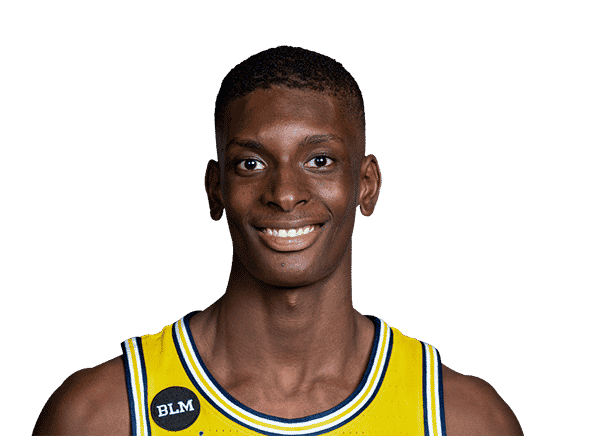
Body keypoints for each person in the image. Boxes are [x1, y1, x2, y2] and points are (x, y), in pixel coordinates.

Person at [33, 45, 522, 436]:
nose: (285, 194)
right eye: (251, 163)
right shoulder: (102, 416)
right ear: (215, 189)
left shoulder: (462, 420)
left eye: (320, 161)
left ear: (367, 184)